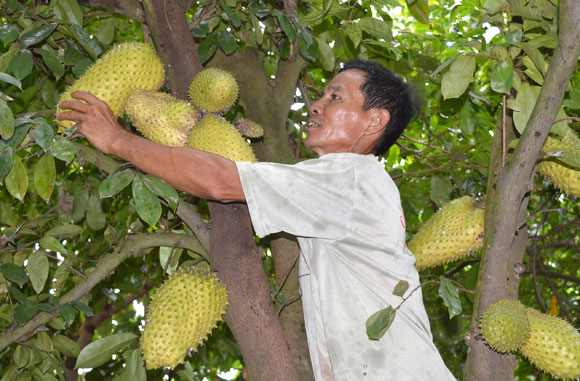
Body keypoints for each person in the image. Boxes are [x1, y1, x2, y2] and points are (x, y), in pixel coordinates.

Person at [58, 60, 455, 380]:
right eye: (321, 94)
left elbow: (221, 180)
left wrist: (117, 140)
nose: (316, 105)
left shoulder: (350, 177)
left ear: (374, 121)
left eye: (335, 96)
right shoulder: (349, 187)